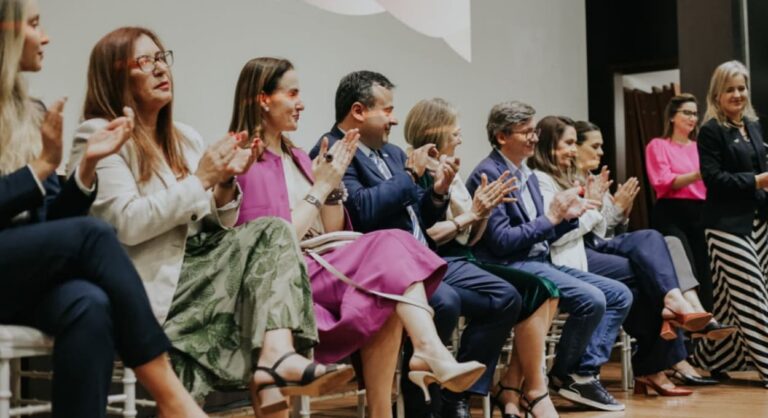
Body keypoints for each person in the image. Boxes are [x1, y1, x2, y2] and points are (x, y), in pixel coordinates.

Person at [68, 29, 352, 417]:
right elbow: (126, 224)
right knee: (267, 248)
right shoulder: (98, 134)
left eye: (161, 58)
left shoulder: (184, 137)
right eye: (144, 62)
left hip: (200, 270)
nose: (160, 69)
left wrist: (225, 184)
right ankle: (270, 370)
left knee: (273, 230)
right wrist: (202, 179)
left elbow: (212, 223)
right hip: (151, 282)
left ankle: (276, 357)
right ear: (113, 75)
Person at [229, 58, 485, 418]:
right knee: (391, 250)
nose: (302, 103)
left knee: (390, 285)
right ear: (263, 99)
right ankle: (428, 351)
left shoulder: (298, 155)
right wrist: (321, 188)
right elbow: (274, 243)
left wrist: (331, 188)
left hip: (322, 262)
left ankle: (400, 389)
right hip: (282, 276)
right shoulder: (245, 159)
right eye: (293, 93)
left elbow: (333, 229)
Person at [0, 1, 207, 416]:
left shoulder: (32, 113)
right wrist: (39, 169)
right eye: (35, 24)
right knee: (95, 234)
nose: (46, 37)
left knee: (90, 304)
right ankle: (172, 397)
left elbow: (52, 225)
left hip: (17, 273)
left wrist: (85, 169)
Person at [310, 71, 521, 418]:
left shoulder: (392, 153)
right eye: (387, 110)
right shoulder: (334, 150)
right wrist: (409, 176)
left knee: (506, 297)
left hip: (423, 256)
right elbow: (361, 211)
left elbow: (420, 216)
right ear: (358, 111)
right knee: (446, 302)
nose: (394, 119)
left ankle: (454, 397)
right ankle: (422, 407)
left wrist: (437, 192)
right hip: (378, 269)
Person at [530, 115, 715, 396]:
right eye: (574, 144)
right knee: (649, 273)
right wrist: (603, 207)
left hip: (592, 246)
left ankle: (672, 310)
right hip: (572, 254)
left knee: (655, 243)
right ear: (552, 146)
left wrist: (619, 212)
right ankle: (655, 358)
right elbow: (562, 232)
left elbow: (602, 227)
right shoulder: (545, 180)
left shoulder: (579, 178)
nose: (599, 152)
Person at [466, 101, 632, 412]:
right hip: (508, 265)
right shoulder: (489, 173)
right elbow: (501, 242)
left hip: (538, 260)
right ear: (502, 136)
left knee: (619, 293)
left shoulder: (526, 174)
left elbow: (543, 232)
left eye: (535, 131)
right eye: (526, 132)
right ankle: (558, 378)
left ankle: (558, 376)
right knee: (592, 299)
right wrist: (551, 219)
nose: (534, 138)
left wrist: (568, 217)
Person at [404, 98, 560, 418]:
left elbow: (470, 238)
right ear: (435, 132)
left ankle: (492, 387)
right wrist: (473, 214)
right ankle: (462, 392)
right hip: (437, 259)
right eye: (456, 132)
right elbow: (430, 234)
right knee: (506, 296)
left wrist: (483, 213)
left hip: (462, 256)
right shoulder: (417, 171)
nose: (461, 139)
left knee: (536, 289)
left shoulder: (451, 169)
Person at [691, 60, 768, 386]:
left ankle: (713, 357)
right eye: (730, 90)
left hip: (758, 223)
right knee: (752, 295)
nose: (737, 94)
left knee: (727, 298)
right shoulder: (711, 131)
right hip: (724, 225)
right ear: (717, 95)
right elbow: (713, 179)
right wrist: (758, 181)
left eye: (741, 88)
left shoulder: (752, 126)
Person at [643, 94, 715, 312]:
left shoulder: (700, 148)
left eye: (695, 114)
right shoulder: (658, 145)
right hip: (671, 211)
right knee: (683, 265)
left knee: (704, 268)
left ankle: (706, 319)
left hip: (701, 211)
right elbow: (663, 181)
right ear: (673, 116)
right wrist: (697, 175)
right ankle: (687, 315)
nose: (692, 118)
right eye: (687, 113)